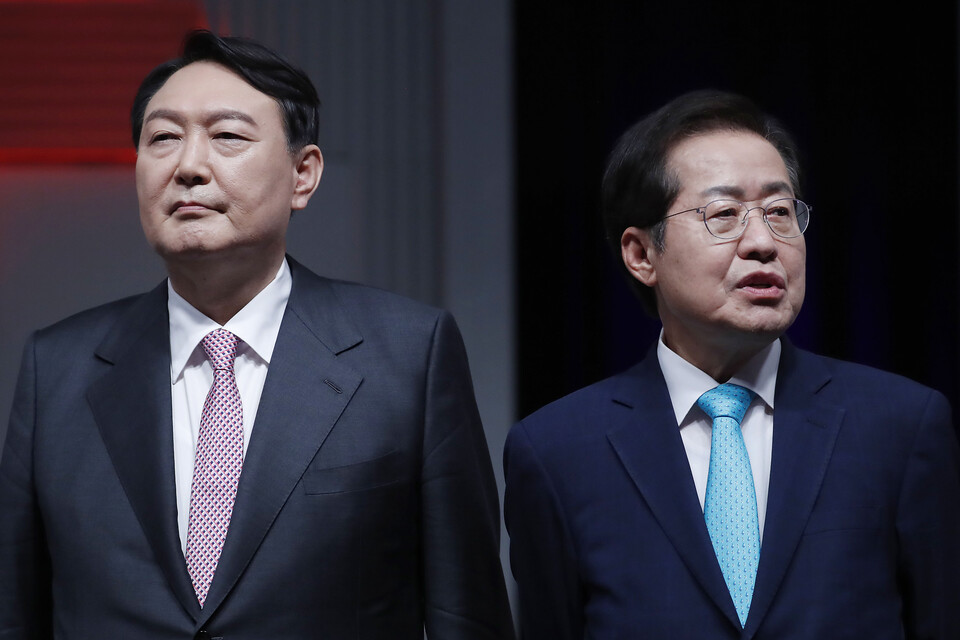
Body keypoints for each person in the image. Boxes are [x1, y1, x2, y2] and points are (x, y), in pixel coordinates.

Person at [0, 30, 514, 640]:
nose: (189, 167)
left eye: (227, 136)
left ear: (303, 174)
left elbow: (467, 616)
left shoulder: (408, 355)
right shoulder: (58, 368)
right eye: (162, 138)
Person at [503, 90, 960, 639]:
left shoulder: (899, 426)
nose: (764, 243)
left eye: (780, 212)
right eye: (724, 214)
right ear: (641, 255)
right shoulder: (558, 451)